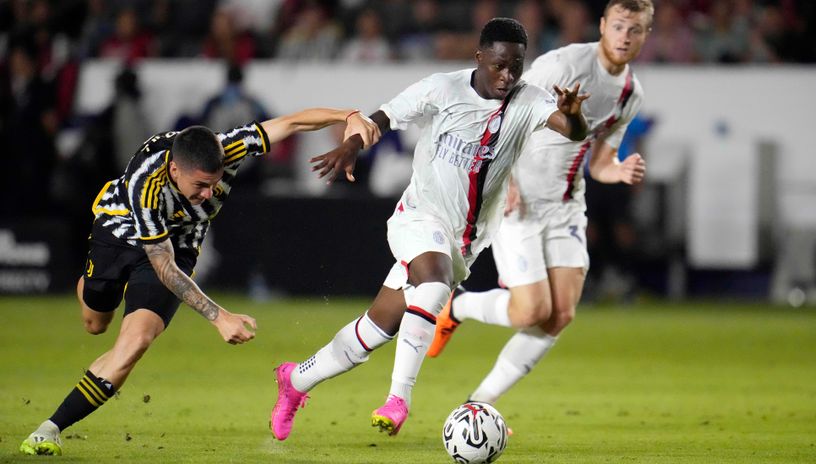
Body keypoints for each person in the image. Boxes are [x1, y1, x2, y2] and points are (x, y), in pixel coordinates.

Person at [270, 17, 589, 441]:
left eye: (515, 65)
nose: (507, 75)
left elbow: (572, 131)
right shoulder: (442, 89)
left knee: (376, 329)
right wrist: (351, 145)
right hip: (419, 216)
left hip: (466, 240)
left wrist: (574, 114)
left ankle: (295, 380)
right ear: (479, 58)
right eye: (498, 65)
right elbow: (381, 119)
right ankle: (398, 399)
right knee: (435, 286)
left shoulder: (530, 100)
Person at [19, 107, 380, 456]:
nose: (209, 193)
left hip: (177, 246)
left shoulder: (230, 146)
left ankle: (48, 428)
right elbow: (161, 265)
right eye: (201, 185)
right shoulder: (145, 184)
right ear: (174, 170)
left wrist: (345, 115)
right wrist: (219, 316)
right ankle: (92, 285)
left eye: (215, 183)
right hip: (119, 235)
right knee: (95, 324)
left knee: (136, 341)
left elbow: (291, 122)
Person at [426, 0, 651, 413]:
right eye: (618, 26)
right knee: (530, 309)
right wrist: (503, 175)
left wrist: (614, 171)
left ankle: (477, 405)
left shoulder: (629, 94)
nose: (624, 36)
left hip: (565, 206)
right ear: (602, 26)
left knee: (559, 314)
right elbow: (501, 106)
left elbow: (599, 159)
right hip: (520, 198)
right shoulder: (563, 65)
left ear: (644, 35)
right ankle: (455, 306)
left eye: (634, 30)